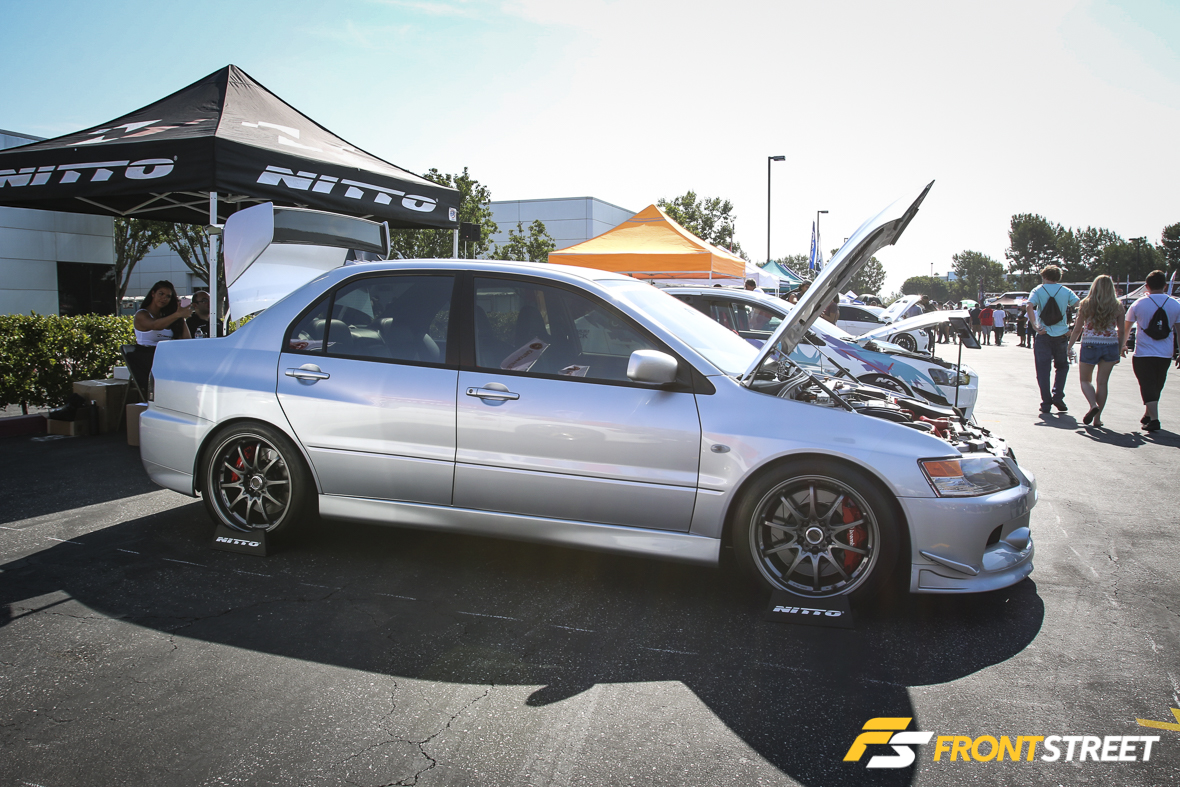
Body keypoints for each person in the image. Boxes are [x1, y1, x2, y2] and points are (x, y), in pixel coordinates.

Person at [1123, 269, 1180, 432]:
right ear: (1165, 285)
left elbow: (1127, 327)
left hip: (1143, 352)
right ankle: (1148, 415)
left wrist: (1123, 345)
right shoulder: (1175, 304)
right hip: (1165, 353)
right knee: (1156, 385)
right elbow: (1179, 331)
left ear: (1146, 286)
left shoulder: (1138, 304)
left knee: (1147, 384)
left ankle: (1154, 419)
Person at [1067, 275, 1125, 428]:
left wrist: (1070, 345)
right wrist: (1119, 349)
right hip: (1110, 345)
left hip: (1090, 344)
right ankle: (1097, 419)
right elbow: (1121, 331)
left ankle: (1093, 404)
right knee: (1103, 383)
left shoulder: (1086, 304)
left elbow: (1078, 328)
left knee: (1085, 380)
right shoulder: (1118, 305)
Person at [1026, 265, 1081, 413]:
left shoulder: (1038, 290)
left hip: (1043, 334)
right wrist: (1074, 326)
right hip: (1062, 335)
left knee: (1043, 370)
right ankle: (1058, 395)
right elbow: (1079, 305)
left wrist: (1035, 326)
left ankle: (1046, 402)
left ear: (1044, 276)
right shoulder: (1066, 291)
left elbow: (1029, 305)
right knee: (1062, 367)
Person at [134, 280, 191, 347]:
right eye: (161, 294)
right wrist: (177, 315)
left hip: (166, 351)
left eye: (168, 296)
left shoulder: (168, 316)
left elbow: (187, 340)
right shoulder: (141, 314)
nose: (164, 298)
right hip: (146, 351)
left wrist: (181, 316)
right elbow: (155, 325)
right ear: (153, 294)